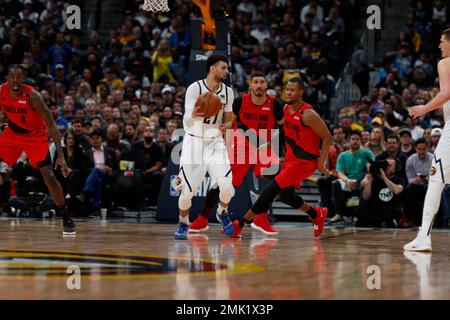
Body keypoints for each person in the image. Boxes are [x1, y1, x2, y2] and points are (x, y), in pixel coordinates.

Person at [233, 78, 332, 238]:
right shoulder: (285, 109)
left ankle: (241, 223)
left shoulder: (308, 114)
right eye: (287, 89)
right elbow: (284, 134)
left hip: (305, 163)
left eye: (292, 90)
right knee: (285, 196)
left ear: (301, 92)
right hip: (290, 160)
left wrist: (321, 164)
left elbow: (327, 137)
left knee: (270, 190)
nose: (288, 92)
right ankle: (316, 214)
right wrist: (267, 144)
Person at [188, 71, 284, 235]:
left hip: (265, 145)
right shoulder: (240, 102)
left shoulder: (275, 104)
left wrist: (273, 145)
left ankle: (261, 218)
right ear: (250, 85)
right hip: (242, 146)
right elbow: (230, 122)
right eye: (256, 82)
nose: (259, 85)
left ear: (266, 85)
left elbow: (283, 128)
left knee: (275, 177)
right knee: (220, 181)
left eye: (262, 82)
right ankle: (203, 218)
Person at [0, 65, 75, 235]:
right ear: (7, 79)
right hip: (12, 133)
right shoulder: (1, 92)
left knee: (48, 175)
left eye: (19, 77)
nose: (15, 81)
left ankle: (65, 215)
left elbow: (52, 127)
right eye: (12, 77)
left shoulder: (33, 97)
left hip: (35, 136)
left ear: (23, 79)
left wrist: (61, 156)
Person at [174, 55, 235, 240]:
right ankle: (183, 222)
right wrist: (192, 114)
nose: (227, 71)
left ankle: (222, 211)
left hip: (215, 142)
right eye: (223, 67)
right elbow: (187, 120)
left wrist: (227, 128)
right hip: (194, 141)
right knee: (186, 194)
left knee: (227, 186)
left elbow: (229, 118)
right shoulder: (195, 88)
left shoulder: (228, 92)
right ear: (212, 68)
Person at [404, 29, 450, 251]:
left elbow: (446, 92)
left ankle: (423, 236)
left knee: (436, 179)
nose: (439, 46)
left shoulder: (446, 62)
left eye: (442, 42)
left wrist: (424, 108)